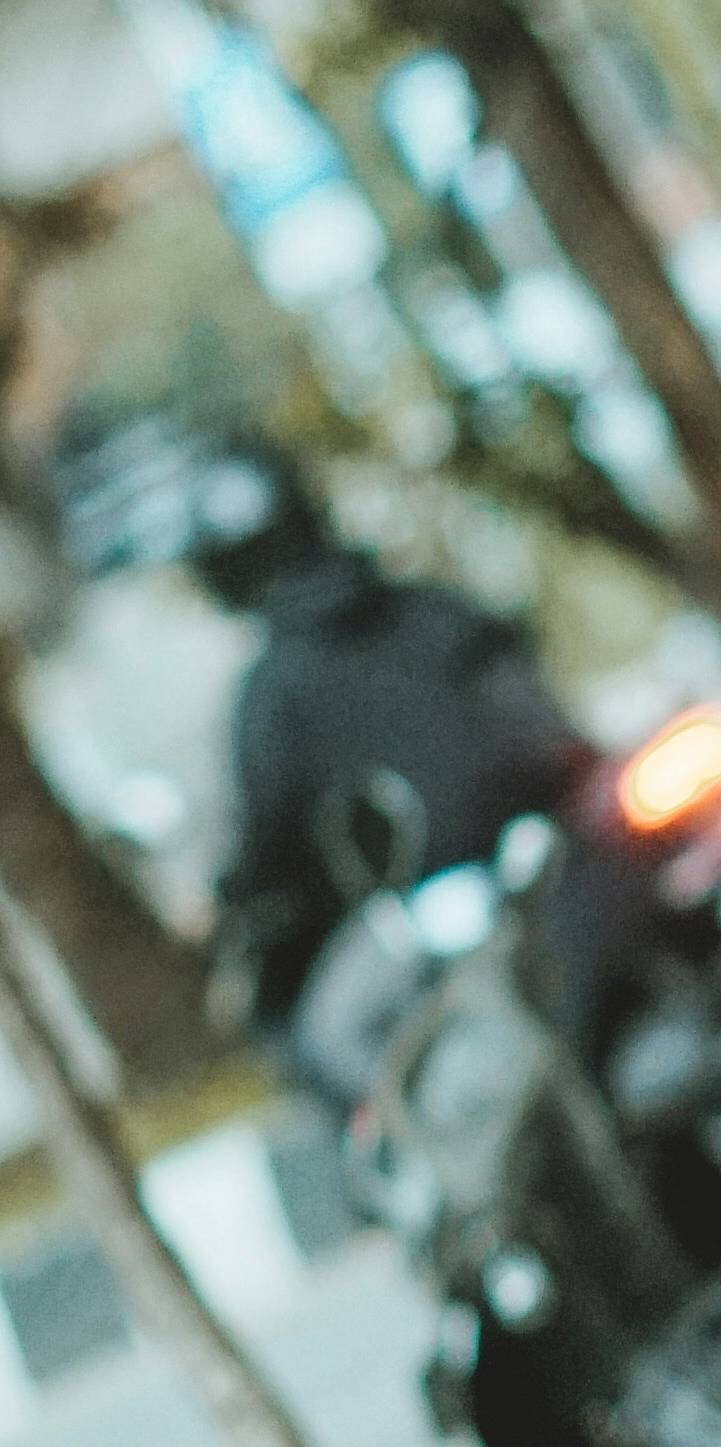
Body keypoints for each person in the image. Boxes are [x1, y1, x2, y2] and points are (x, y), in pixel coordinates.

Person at [187, 444, 581, 1041]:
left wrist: (237, 901)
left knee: (334, 1039)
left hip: (475, 894)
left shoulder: (271, 696)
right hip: (552, 849)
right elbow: (531, 696)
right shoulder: (430, 607)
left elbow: (269, 838)